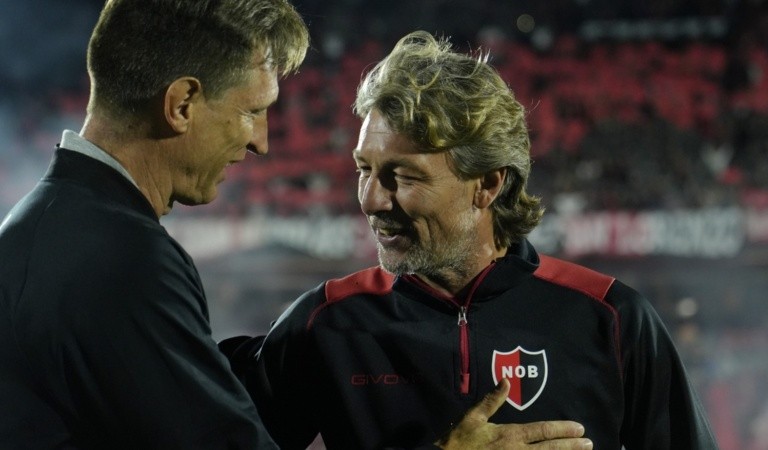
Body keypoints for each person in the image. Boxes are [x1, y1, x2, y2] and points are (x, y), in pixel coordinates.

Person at [221, 30, 720, 449]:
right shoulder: (327, 322)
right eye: (364, 170)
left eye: (404, 177)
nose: (372, 200)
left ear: (488, 184)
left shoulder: (611, 319)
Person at [0, 0, 308, 448]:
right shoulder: (124, 259)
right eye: (252, 111)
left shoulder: (35, 227)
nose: (260, 141)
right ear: (181, 104)